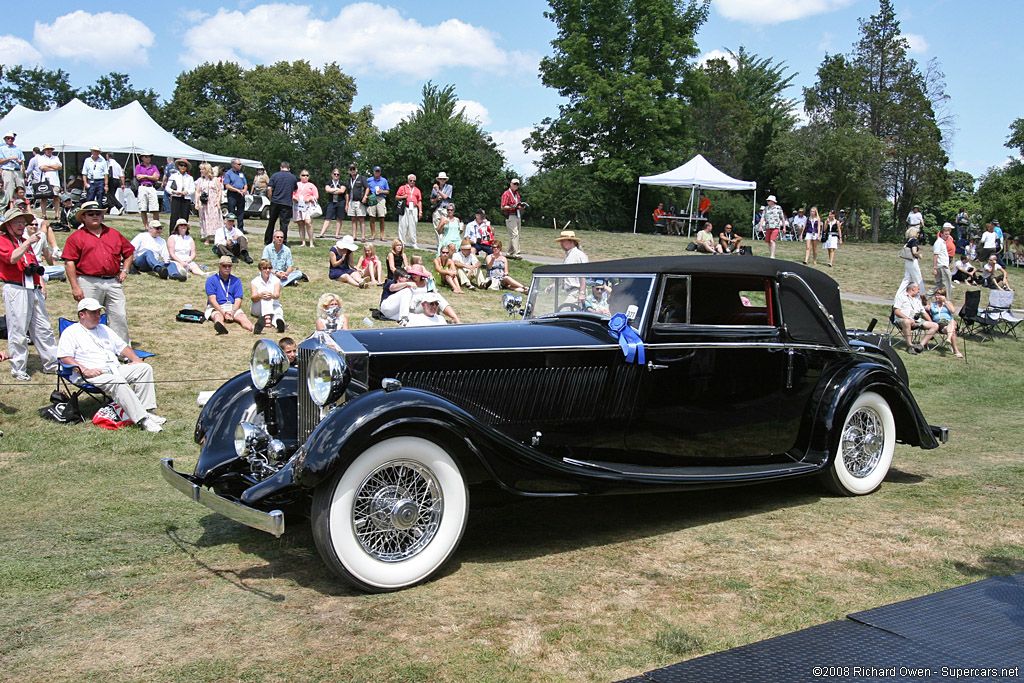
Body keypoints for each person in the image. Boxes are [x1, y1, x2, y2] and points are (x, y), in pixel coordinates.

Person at [58, 298, 165, 431]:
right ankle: (143, 419)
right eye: (93, 313)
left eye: (99, 312)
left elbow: (122, 347)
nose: (98, 315)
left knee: (144, 368)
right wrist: (84, 370)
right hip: (92, 373)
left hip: (114, 368)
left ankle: (147, 410)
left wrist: (136, 359)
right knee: (117, 381)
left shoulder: (103, 328)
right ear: (82, 314)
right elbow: (64, 357)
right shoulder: (71, 332)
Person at [62, 201, 134, 344]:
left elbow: (129, 252)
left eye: (98, 214)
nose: (95, 216)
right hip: (88, 281)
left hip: (113, 281)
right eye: (91, 214)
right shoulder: (76, 237)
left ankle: (122, 352)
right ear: (83, 217)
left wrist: (125, 270)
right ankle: (89, 349)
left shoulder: (114, 234)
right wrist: (75, 286)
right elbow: (69, 262)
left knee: (119, 316)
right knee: (89, 317)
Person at [0, 207, 59, 380]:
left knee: (43, 328)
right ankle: (18, 368)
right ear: (8, 225)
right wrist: (27, 243)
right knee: (18, 329)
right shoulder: (4, 240)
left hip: (33, 287)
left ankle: (52, 364)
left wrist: (40, 283)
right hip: (15, 287)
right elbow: (11, 258)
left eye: (22, 222)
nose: (21, 225)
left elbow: (33, 265)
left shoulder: (23, 240)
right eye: (17, 222)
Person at [205, 256, 254, 334]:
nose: (227, 268)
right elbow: (212, 300)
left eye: (229, 266)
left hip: (232, 306)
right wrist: (223, 312)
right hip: (217, 306)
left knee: (242, 317)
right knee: (217, 316)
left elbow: (238, 299)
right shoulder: (211, 280)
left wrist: (233, 311)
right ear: (219, 266)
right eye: (224, 266)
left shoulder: (236, 281)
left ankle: (254, 328)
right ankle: (222, 329)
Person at [893, 282, 937, 355]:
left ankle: (920, 346)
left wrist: (931, 322)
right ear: (913, 288)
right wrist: (908, 318)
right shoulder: (901, 296)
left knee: (935, 325)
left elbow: (924, 313)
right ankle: (909, 346)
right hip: (902, 320)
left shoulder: (917, 300)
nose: (919, 291)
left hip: (916, 321)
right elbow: (896, 312)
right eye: (918, 289)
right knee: (907, 322)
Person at [266, 161, 298, 244]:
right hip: (286, 203)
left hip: (275, 201)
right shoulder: (293, 177)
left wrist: (271, 198)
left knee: (271, 222)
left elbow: (269, 188)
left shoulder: (275, 175)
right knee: (284, 224)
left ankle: (267, 240)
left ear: (280, 168)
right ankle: (283, 241)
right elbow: (295, 189)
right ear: (289, 169)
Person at [251, 259, 285, 334]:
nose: (268, 270)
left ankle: (279, 324)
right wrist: (260, 295)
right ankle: (267, 318)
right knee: (265, 296)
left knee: (278, 312)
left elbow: (277, 296)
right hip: (258, 306)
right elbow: (253, 298)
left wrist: (272, 295)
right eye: (265, 268)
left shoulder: (276, 280)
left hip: (273, 305)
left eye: (269, 268)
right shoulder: (255, 281)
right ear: (260, 269)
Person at [928, 288, 963, 358]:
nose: (937, 297)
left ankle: (949, 339)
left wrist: (945, 302)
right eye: (936, 295)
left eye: (939, 295)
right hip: (940, 324)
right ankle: (956, 350)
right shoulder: (933, 304)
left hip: (949, 322)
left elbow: (953, 311)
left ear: (944, 296)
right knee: (952, 331)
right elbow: (926, 308)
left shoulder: (948, 303)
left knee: (952, 322)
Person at [194, 162, 223, 244]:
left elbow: (220, 190)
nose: (201, 171)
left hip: (213, 202)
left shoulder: (215, 180)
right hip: (204, 203)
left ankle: (217, 237)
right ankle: (207, 237)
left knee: (215, 219)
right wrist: (196, 202)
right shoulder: (200, 180)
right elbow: (197, 191)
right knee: (205, 220)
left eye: (202, 169)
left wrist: (218, 201)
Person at [166, 159, 195, 234]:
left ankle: (184, 233)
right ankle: (172, 233)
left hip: (186, 198)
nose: (183, 167)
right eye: (181, 165)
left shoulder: (189, 178)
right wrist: (174, 192)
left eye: (185, 166)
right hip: (176, 197)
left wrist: (187, 192)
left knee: (184, 217)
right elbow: (167, 188)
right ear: (178, 166)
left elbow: (192, 190)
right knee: (174, 217)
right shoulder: (174, 176)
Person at [292, 169, 319, 248]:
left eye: (307, 175)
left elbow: (316, 196)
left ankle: (311, 242)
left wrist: (310, 198)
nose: (305, 177)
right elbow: (292, 193)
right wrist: (294, 197)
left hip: (307, 206)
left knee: (308, 222)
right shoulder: (296, 184)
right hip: (297, 205)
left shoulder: (311, 185)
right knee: (300, 223)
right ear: (300, 176)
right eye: (303, 175)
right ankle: (303, 242)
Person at [134, 152, 161, 228]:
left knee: (155, 208)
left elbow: (156, 178)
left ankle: (156, 226)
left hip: (151, 187)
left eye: (149, 157)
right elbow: (138, 177)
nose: (148, 158)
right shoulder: (139, 166)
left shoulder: (153, 167)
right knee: (143, 208)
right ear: (142, 158)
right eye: (146, 157)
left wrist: (145, 176)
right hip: (142, 187)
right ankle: (146, 227)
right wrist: (151, 176)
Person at [318, 168, 347, 239]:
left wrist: (333, 190)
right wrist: (337, 189)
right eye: (335, 174)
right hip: (332, 202)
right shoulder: (328, 182)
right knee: (328, 218)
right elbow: (327, 189)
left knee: (339, 218)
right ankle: (321, 233)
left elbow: (342, 191)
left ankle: (337, 235)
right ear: (332, 175)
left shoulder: (342, 183)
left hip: (340, 202)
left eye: (338, 174)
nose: (336, 175)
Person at [500, 178, 524, 260]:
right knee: (514, 234)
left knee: (516, 235)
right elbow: (503, 206)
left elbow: (518, 204)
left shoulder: (517, 194)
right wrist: (513, 206)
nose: (516, 186)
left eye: (517, 184)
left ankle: (509, 253)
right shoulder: (506, 194)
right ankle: (516, 253)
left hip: (517, 215)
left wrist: (520, 206)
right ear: (510, 184)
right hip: (510, 215)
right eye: (514, 184)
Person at [395, 174, 421, 249]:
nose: (412, 182)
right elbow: (396, 197)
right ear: (408, 180)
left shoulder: (417, 190)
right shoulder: (402, 188)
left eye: (414, 181)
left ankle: (413, 243)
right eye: (411, 180)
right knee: (402, 225)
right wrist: (403, 197)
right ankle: (402, 242)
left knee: (413, 226)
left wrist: (420, 211)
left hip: (414, 208)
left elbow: (419, 201)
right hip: (404, 207)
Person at [36, 143, 62, 220]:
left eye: (50, 149)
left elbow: (59, 166)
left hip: (55, 180)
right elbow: (42, 167)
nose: (49, 151)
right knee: (44, 198)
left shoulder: (55, 157)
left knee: (56, 197)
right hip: (45, 180)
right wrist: (53, 167)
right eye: (47, 149)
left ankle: (57, 214)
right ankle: (44, 214)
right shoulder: (41, 158)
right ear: (44, 150)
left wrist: (48, 166)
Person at [345, 163, 370, 241]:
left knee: (361, 218)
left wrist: (365, 197)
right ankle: (354, 236)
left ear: (356, 170)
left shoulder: (362, 178)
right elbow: (347, 192)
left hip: (360, 201)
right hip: (352, 201)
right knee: (353, 219)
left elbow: (367, 188)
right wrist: (347, 204)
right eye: (351, 169)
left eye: (354, 169)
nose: (352, 171)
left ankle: (363, 236)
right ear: (349, 171)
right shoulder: (349, 180)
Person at [0, 131, 24, 208]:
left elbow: (22, 161)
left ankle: (20, 206)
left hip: (17, 170)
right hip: (7, 170)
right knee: (8, 190)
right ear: (5, 139)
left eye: (12, 138)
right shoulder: (2, 148)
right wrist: (9, 158)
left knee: (21, 189)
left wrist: (20, 162)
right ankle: (8, 208)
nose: (10, 139)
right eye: (8, 138)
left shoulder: (17, 148)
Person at [222, 158, 248, 232]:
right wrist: (237, 190)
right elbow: (227, 185)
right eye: (239, 164)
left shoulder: (241, 173)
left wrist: (245, 189)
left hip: (241, 194)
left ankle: (240, 228)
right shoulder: (228, 173)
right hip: (232, 194)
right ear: (234, 165)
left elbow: (245, 183)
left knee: (241, 211)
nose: (241, 165)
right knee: (231, 211)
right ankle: (231, 227)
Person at [898, 226, 924, 294]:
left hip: (907, 261)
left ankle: (900, 294)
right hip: (913, 261)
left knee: (906, 279)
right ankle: (921, 294)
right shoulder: (914, 241)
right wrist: (920, 256)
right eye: (917, 233)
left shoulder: (908, 240)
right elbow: (914, 252)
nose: (918, 234)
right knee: (918, 279)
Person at [366, 166, 389, 241]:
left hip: (381, 198)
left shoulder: (384, 180)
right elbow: (366, 188)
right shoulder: (369, 180)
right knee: (372, 217)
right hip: (372, 197)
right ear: (373, 172)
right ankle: (373, 235)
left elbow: (388, 191)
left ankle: (382, 235)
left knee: (381, 217)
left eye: (378, 171)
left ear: (380, 172)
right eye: (376, 171)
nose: (377, 172)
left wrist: (382, 191)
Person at [930, 223, 953, 297]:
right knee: (947, 285)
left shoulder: (943, 242)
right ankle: (948, 300)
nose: (947, 236)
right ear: (941, 234)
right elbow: (935, 255)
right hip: (942, 266)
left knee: (939, 285)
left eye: (948, 234)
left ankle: (926, 296)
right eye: (946, 234)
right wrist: (934, 267)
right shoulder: (939, 242)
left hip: (943, 265)